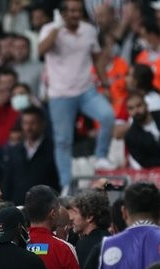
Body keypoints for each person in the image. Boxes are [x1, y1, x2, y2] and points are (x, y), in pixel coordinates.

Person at [38, 0, 115, 186]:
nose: (75, 14)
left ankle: (101, 156)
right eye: (71, 11)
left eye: (78, 11)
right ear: (62, 12)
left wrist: (105, 84)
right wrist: (57, 27)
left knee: (107, 116)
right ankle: (66, 184)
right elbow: (41, 51)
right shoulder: (50, 29)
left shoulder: (89, 30)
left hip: (86, 89)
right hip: (60, 93)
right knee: (63, 141)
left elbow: (96, 58)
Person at [3, 107, 59, 200]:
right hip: (17, 206)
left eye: (33, 123)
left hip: (44, 207)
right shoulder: (14, 151)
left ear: (42, 124)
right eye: (25, 123)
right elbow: (8, 181)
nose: (28, 127)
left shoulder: (53, 150)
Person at [68, 189, 111, 267]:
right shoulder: (112, 238)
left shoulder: (83, 244)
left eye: (75, 212)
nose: (71, 218)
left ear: (89, 217)